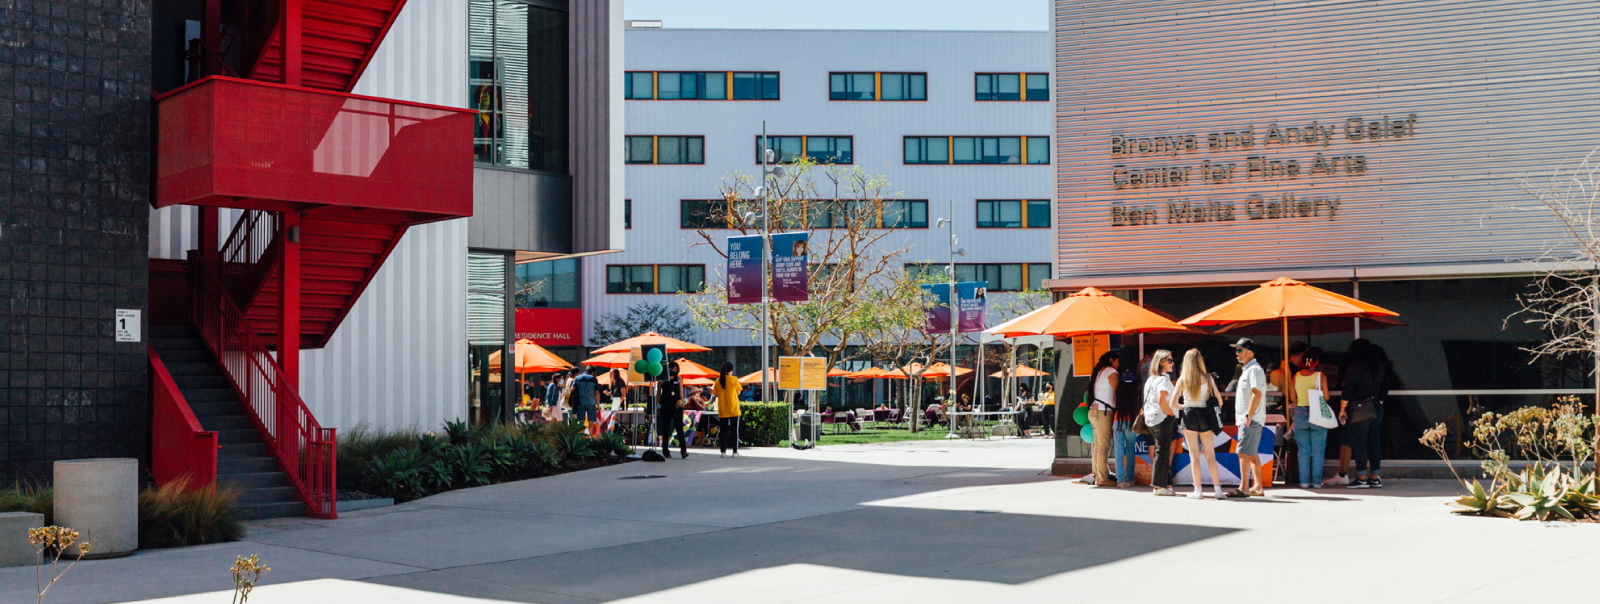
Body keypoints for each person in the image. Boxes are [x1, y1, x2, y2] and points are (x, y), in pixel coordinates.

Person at [1340, 339, 1390, 488]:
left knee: (1360, 444)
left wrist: (1342, 409)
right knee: (1374, 443)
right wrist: (1380, 400)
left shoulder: (1355, 367)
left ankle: (1361, 477)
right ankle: (1375, 477)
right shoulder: (1377, 365)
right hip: (1376, 408)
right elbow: (1386, 384)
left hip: (1360, 408)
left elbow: (1347, 389)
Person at [1177, 349, 1225, 499]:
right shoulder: (1209, 379)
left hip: (1189, 415)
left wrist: (1185, 406)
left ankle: (1198, 491)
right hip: (1205, 415)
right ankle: (1218, 490)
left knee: (1194, 455)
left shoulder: (1183, 379)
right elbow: (1220, 401)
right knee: (1210, 455)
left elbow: (1173, 402)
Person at [1229, 338, 1268, 498]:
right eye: (1236, 350)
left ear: (1250, 352)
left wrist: (1249, 414)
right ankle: (1257, 487)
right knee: (1251, 453)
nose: (1236, 353)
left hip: (1250, 418)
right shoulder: (1248, 369)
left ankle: (1244, 487)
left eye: (1240, 350)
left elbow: (1256, 394)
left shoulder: (1253, 370)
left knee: (1243, 452)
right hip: (1249, 418)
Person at [1291, 347, 1330, 488]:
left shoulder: (1295, 377)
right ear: (1316, 362)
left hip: (1300, 414)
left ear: (1302, 361)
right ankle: (1317, 482)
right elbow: (1326, 397)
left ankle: (1304, 482)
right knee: (1318, 450)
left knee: (1303, 450)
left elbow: (1292, 398)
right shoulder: (1321, 376)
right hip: (1317, 414)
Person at [1142, 350, 1179, 496]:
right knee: (1163, 451)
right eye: (1169, 361)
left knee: (1162, 450)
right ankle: (1158, 486)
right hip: (1162, 417)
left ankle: (1166, 484)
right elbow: (1161, 399)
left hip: (1151, 418)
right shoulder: (1163, 380)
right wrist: (1170, 413)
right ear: (1161, 362)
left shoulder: (1151, 379)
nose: (1172, 363)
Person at [1078, 351, 1119, 486]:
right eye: (1117, 361)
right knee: (1102, 446)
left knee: (1097, 445)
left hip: (1094, 411)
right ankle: (1102, 478)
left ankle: (1098, 475)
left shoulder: (1099, 372)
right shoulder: (1110, 371)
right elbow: (1118, 389)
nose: (1118, 365)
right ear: (1112, 360)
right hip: (1103, 412)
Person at [1111, 371, 1141, 488]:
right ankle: (1130, 479)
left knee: (1118, 450)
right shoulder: (1136, 392)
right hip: (1131, 421)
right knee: (1130, 450)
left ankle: (1120, 480)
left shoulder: (1118, 391)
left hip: (1118, 420)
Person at [713, 361, 743, 458]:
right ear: (731, 370)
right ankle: (734, 452)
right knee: (734, 431)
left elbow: (715, 393)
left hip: (723, 409)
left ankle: (723, 451)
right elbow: (738, 392)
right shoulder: (734, 379)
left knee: (723, 431)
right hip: (733, 408)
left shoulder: (718, 381)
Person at [658, 363, 688, 459]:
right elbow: (658, 394)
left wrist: (683, 402)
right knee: (666, 429)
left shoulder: (678, 379)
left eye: (675, 369)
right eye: (672, 369)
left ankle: (684, 451)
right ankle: (666, 451)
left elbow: (681, 394)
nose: (673, 371)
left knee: (679, 428)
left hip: (677, 406)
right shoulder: (662, 380)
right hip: (665, 406)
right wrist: (655, 406)